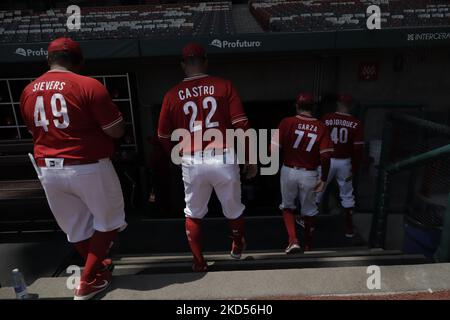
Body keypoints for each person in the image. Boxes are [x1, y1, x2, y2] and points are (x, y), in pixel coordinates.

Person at [20, 37, 127, 300]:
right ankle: (87, 281)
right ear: (78, 61)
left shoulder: (28, 90)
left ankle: (98, 269)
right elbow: (115, 130)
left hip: (48, 169)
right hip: (86, 164)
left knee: (77, 228)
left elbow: (33, 130)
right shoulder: (88, 85)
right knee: (110, 222)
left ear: (49, 60)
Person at [157, 43, 257, 272]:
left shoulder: (172, 94)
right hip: (223, 156)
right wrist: (251, 157)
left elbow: (162, 135)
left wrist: (175, 154)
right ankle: (237, 245)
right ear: (206, 61)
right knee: (234, 209)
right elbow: (241, 125)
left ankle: (199, 262)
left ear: (183, 65)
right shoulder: (224, 85)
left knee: (193, 213)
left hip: (192, 159)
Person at [272, 92, 333, 253]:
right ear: (313, 108)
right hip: (309, 173)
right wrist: (324, 177)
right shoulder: (321, 127)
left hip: (289, 169)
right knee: (309, 211)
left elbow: (272, 149)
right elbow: (326, 156)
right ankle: (308, 245)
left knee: (287, 207)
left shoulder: (287, 122)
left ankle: (293, 240)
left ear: (297, 106)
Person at [316, 94, 364, 238]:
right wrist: (354, 168)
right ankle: (349, 229)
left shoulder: (327, 118)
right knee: (347, 196)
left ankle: (308, 225)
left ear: (338, 104)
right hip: (344, 162)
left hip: (327, 160)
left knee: (317, 192)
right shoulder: (356, 123)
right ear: (351, 106)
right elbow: (357, 149)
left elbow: (318, 140)